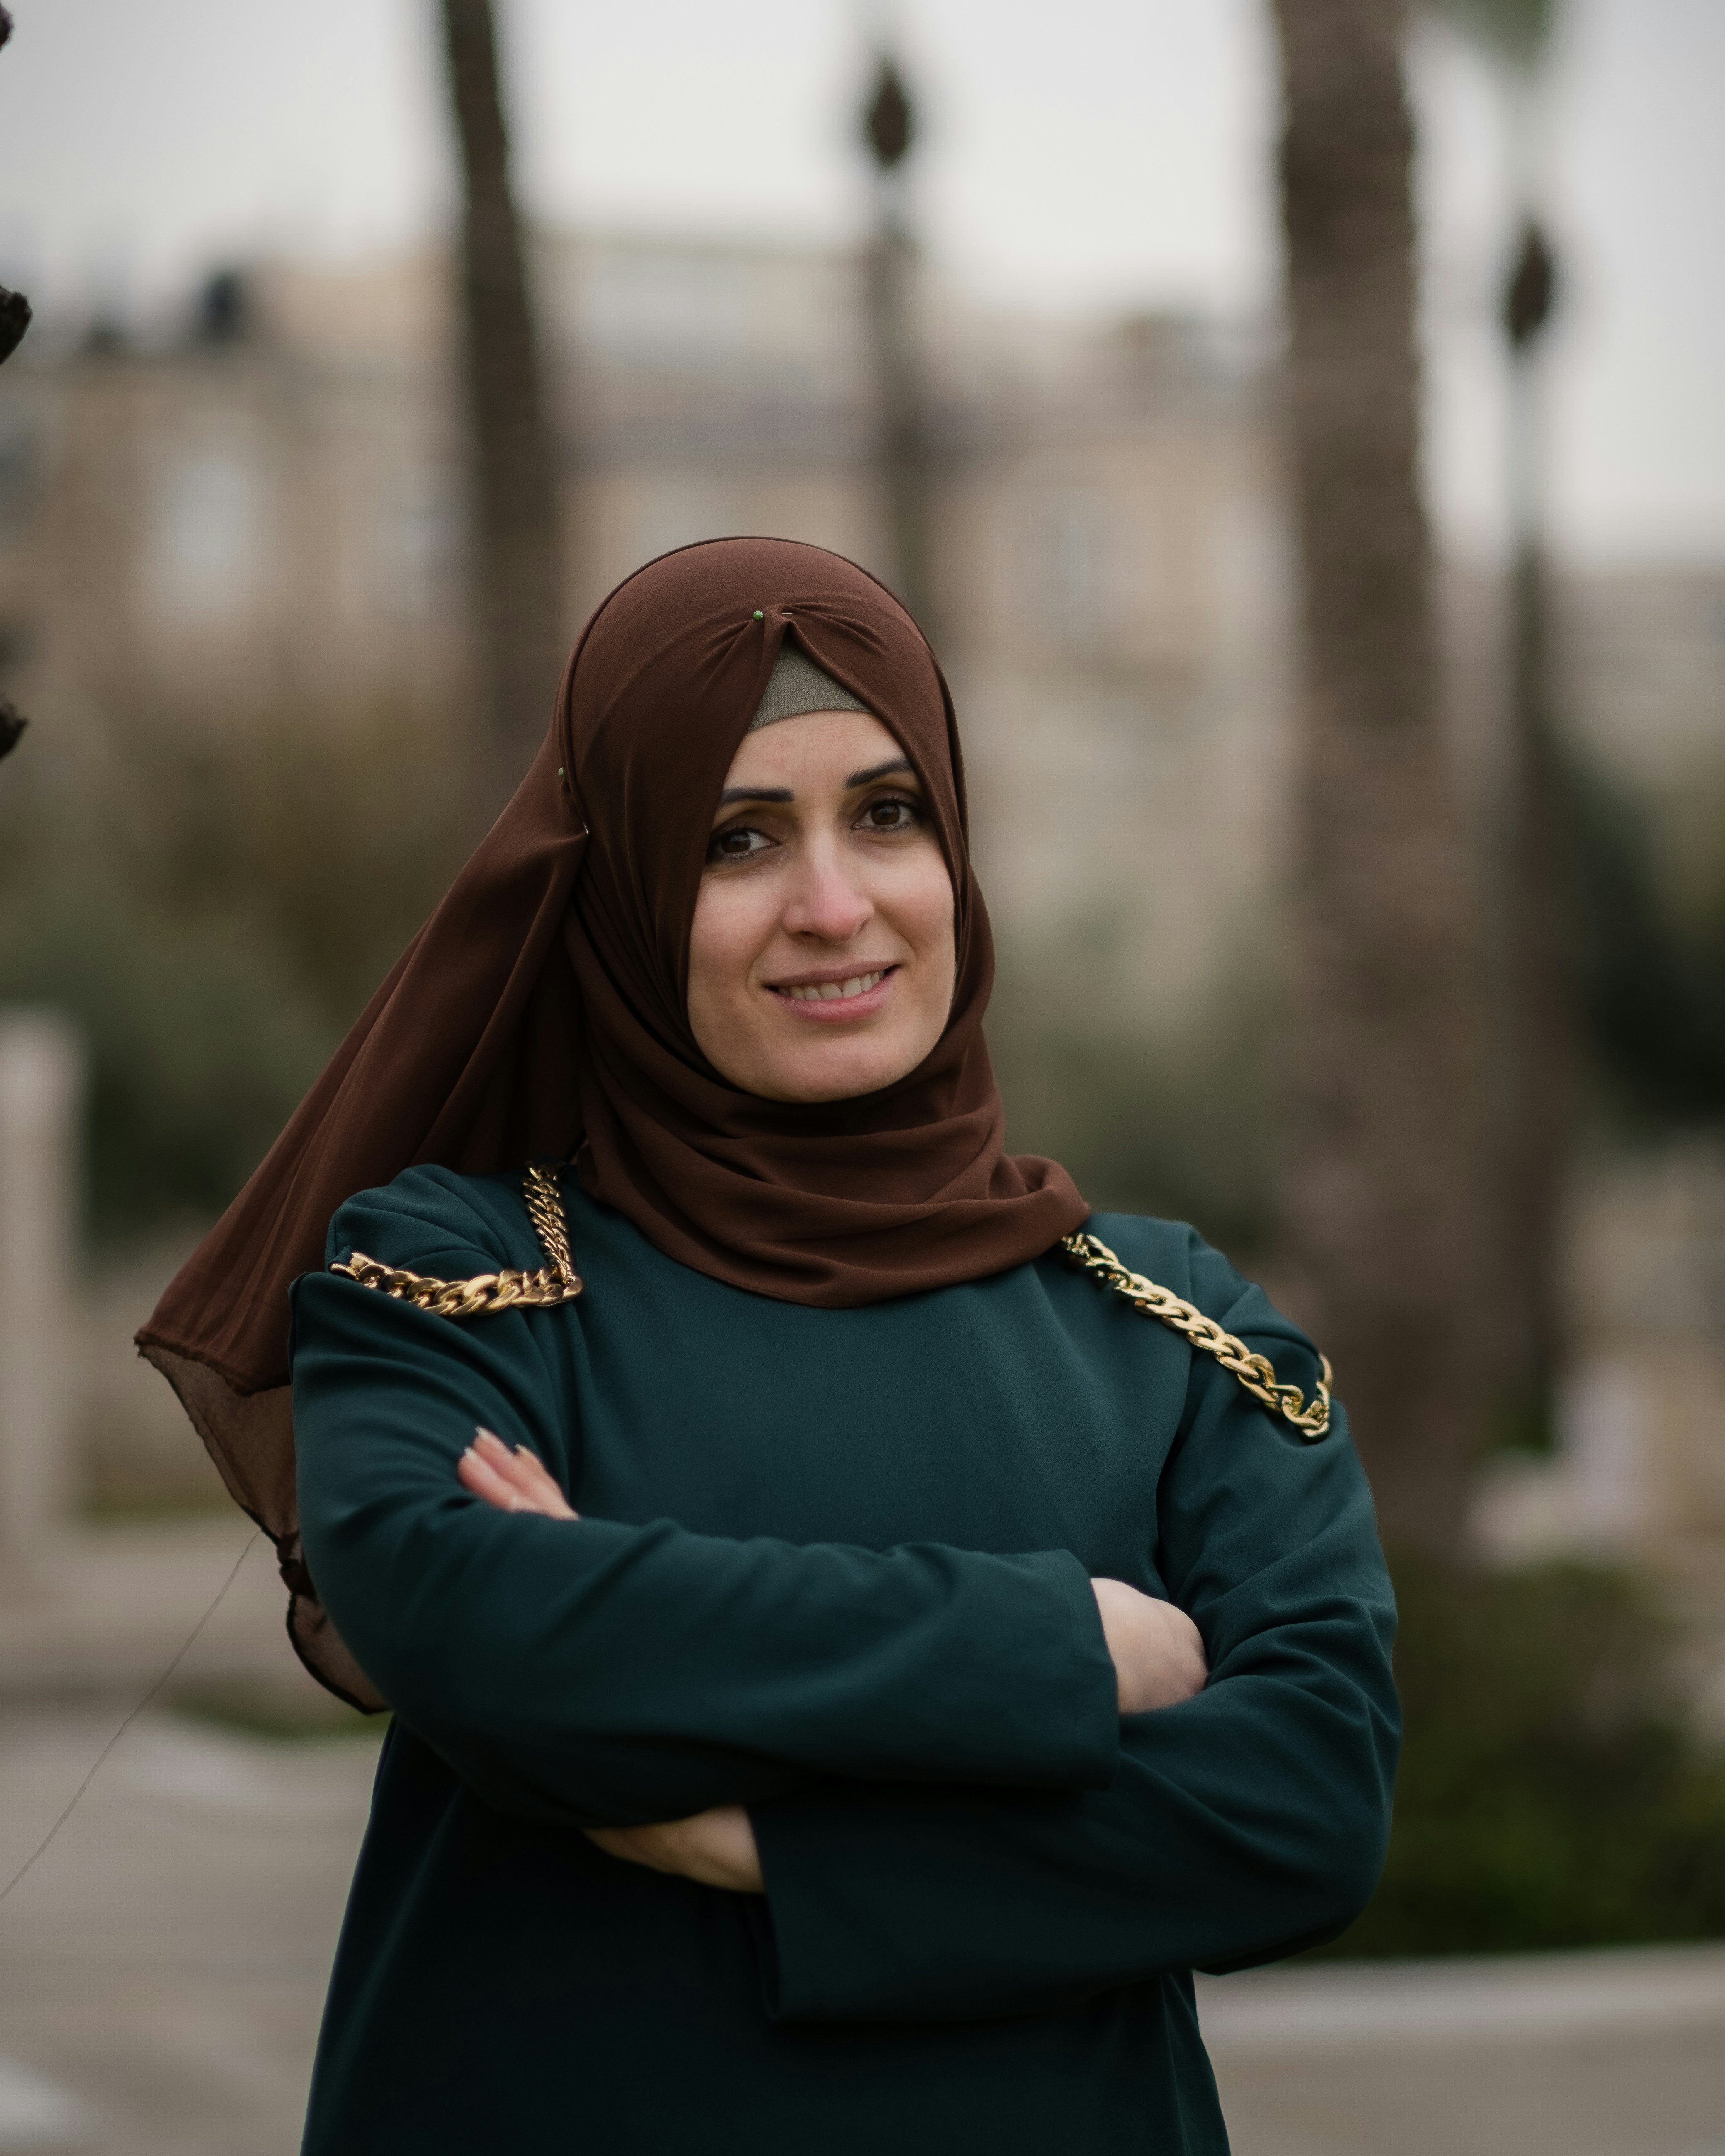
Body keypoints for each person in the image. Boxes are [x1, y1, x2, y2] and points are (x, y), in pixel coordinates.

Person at [140, 537, 1397, 2156]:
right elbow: (450, 1604)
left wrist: (777, 1853)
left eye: (888, 813)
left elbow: (1304, 1804)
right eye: (736, 839)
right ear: (621, 890)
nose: (832, 904)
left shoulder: (1163, 1323)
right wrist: (1060, 1647)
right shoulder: (464, 1269)